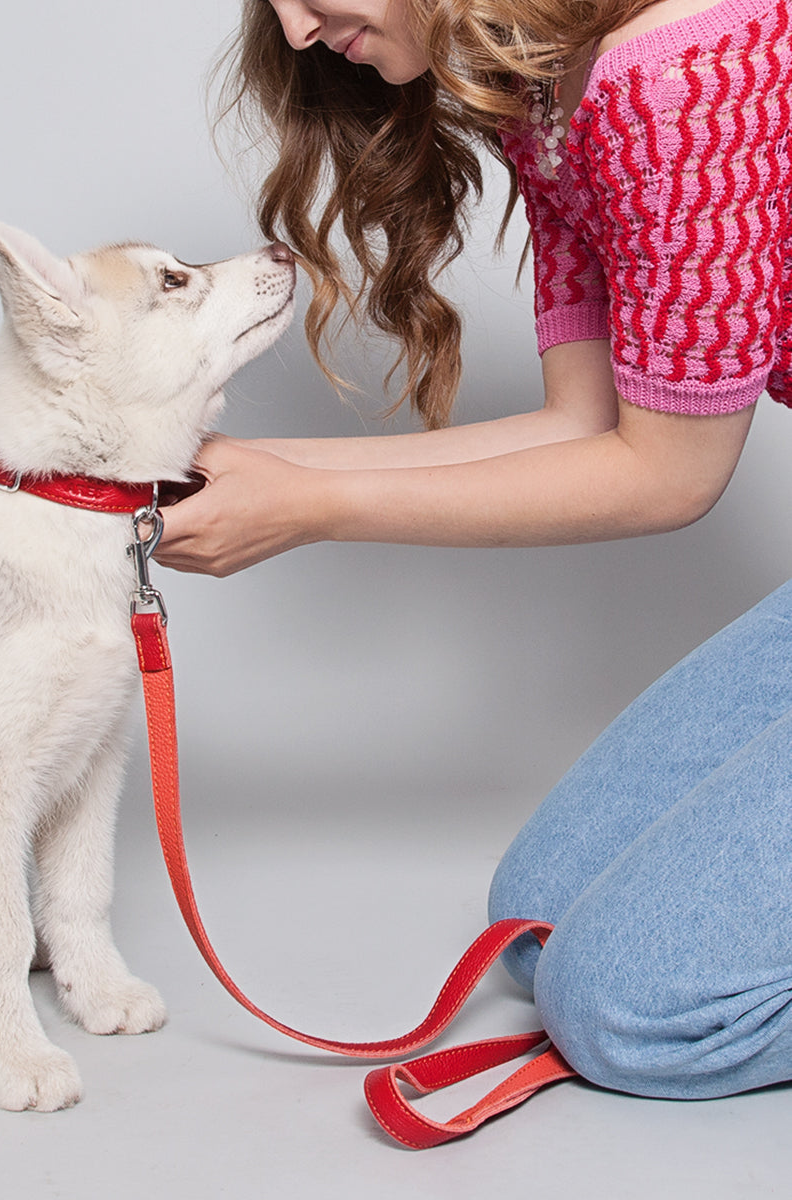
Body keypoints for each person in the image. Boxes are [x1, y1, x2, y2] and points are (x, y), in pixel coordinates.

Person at [156, 0, 792, 1100]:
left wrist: (308, 512)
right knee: (537, 915)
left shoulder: (672, 79)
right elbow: (589, 421)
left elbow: (670, 475)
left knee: (635, 1015)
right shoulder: (549, 86)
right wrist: (265, 472)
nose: (298, 31)